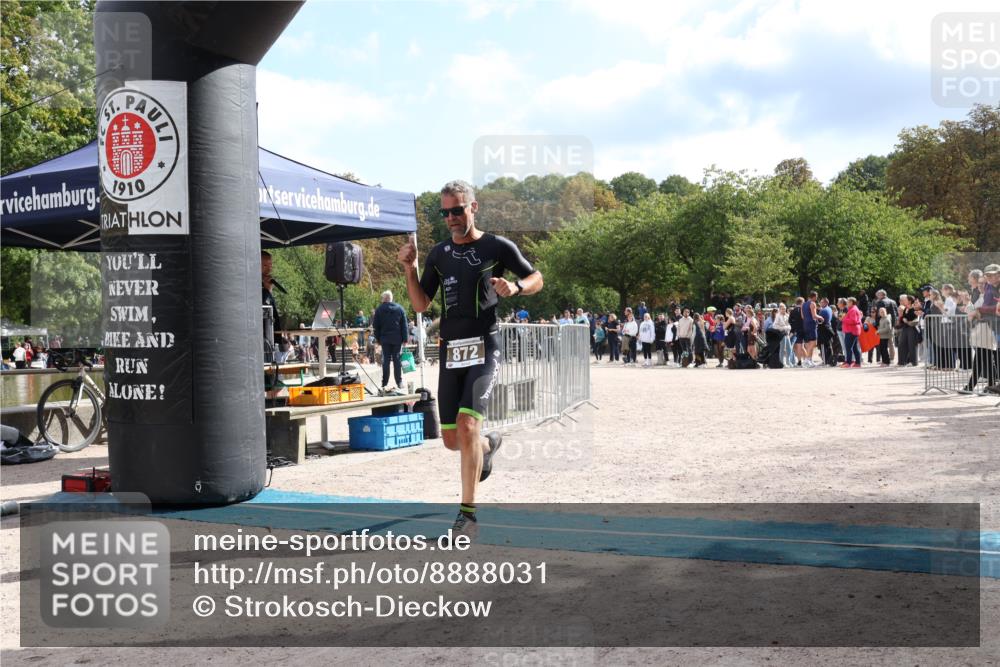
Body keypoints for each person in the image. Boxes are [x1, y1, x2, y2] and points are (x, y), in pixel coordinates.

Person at [398, 179, 542, 540]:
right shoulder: (438, 254)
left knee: (466, 427)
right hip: (451, 350)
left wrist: (517, 287)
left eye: (457, 210)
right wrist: (409, 269)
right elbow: (420, 304)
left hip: (485, 346)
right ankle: (488, 446)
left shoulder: (496, 246)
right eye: (445, 212)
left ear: (473, 208)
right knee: (452, 440)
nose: (451, 217)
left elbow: (536, 276)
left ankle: (468, 517)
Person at [372, 290, 408, 394]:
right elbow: (404, 325)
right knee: (397, 360)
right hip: (397, 339)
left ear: (384, 298)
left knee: (386, 361)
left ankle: (384, 383)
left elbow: (376, 327)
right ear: (391, 298)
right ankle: (399, 382)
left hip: (385, 339)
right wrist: (405, 339)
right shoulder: (400, 308)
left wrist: (378, 339)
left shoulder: (379, 309)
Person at [261, 250, 286, 363]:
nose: (269, 269)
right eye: (265, 265)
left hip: (271, 339)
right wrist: (267, 290)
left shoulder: (265, 286)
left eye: (270, 265)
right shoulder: (252, 284)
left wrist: (268, 290)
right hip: (261, 341)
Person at [841, 297, 863, 368]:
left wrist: (843, 319)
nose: (847, 303)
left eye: (848, 302)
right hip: (853, 330)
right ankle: (857, 363)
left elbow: (853, 321)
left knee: (848, 347)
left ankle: (849, 362)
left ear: (851, 302)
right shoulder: (852, 309)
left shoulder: (853, 310)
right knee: (854, 348)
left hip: (851, 330)